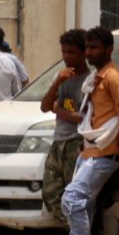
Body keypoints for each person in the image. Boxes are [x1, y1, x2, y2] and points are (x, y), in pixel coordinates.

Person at [51, 27, 119, 235]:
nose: (89, 53)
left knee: (72, 198)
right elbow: (91, 116)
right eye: (87, 48)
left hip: (104, 152)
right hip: (89, 150)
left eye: (94, 48)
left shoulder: (113, 77)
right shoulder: (96, 78)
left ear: (109, 50)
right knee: (82, 204)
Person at [39, 29, 90, 222]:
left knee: (74, 195)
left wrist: (58, 110)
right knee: (50, 192)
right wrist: (57, 83)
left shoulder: (89, 81)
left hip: (77, 142)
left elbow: (82, 118)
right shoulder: (60, 77)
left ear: (84, 53)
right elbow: (44, 106)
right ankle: (74, 234)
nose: (67, 57)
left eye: (72, 52)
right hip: (59, 141)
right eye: (64, 52)